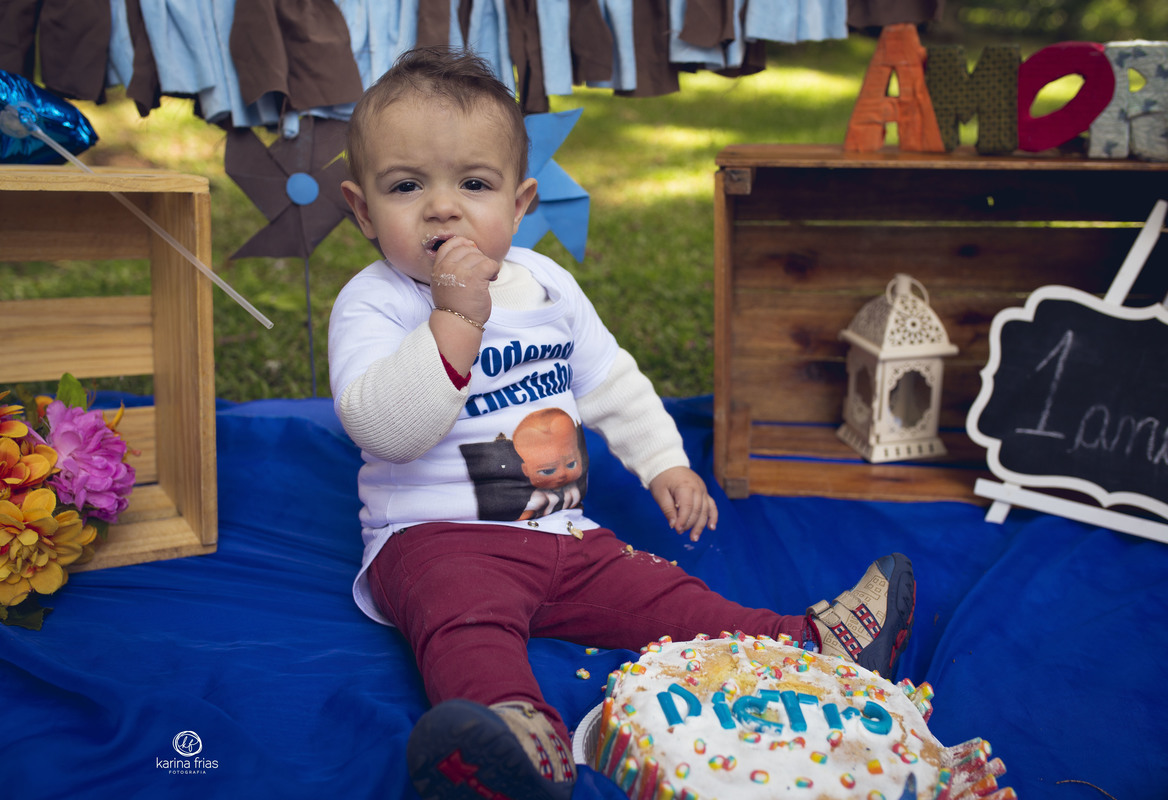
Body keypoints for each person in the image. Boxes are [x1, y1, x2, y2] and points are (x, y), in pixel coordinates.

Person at [329, 46, 916, 800]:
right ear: (362, 210)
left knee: (671, 601)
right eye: (407, 186)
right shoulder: (375, 302)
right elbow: (381, 427)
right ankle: (512, 739)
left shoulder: (545, 284)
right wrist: (451, 320)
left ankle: (815, 644)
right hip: (437, 537)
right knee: (465, 629)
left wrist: (665, 462)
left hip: (563, 535)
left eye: (474, 184)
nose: (443, 208)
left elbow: (608, 380)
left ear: (519, 203)